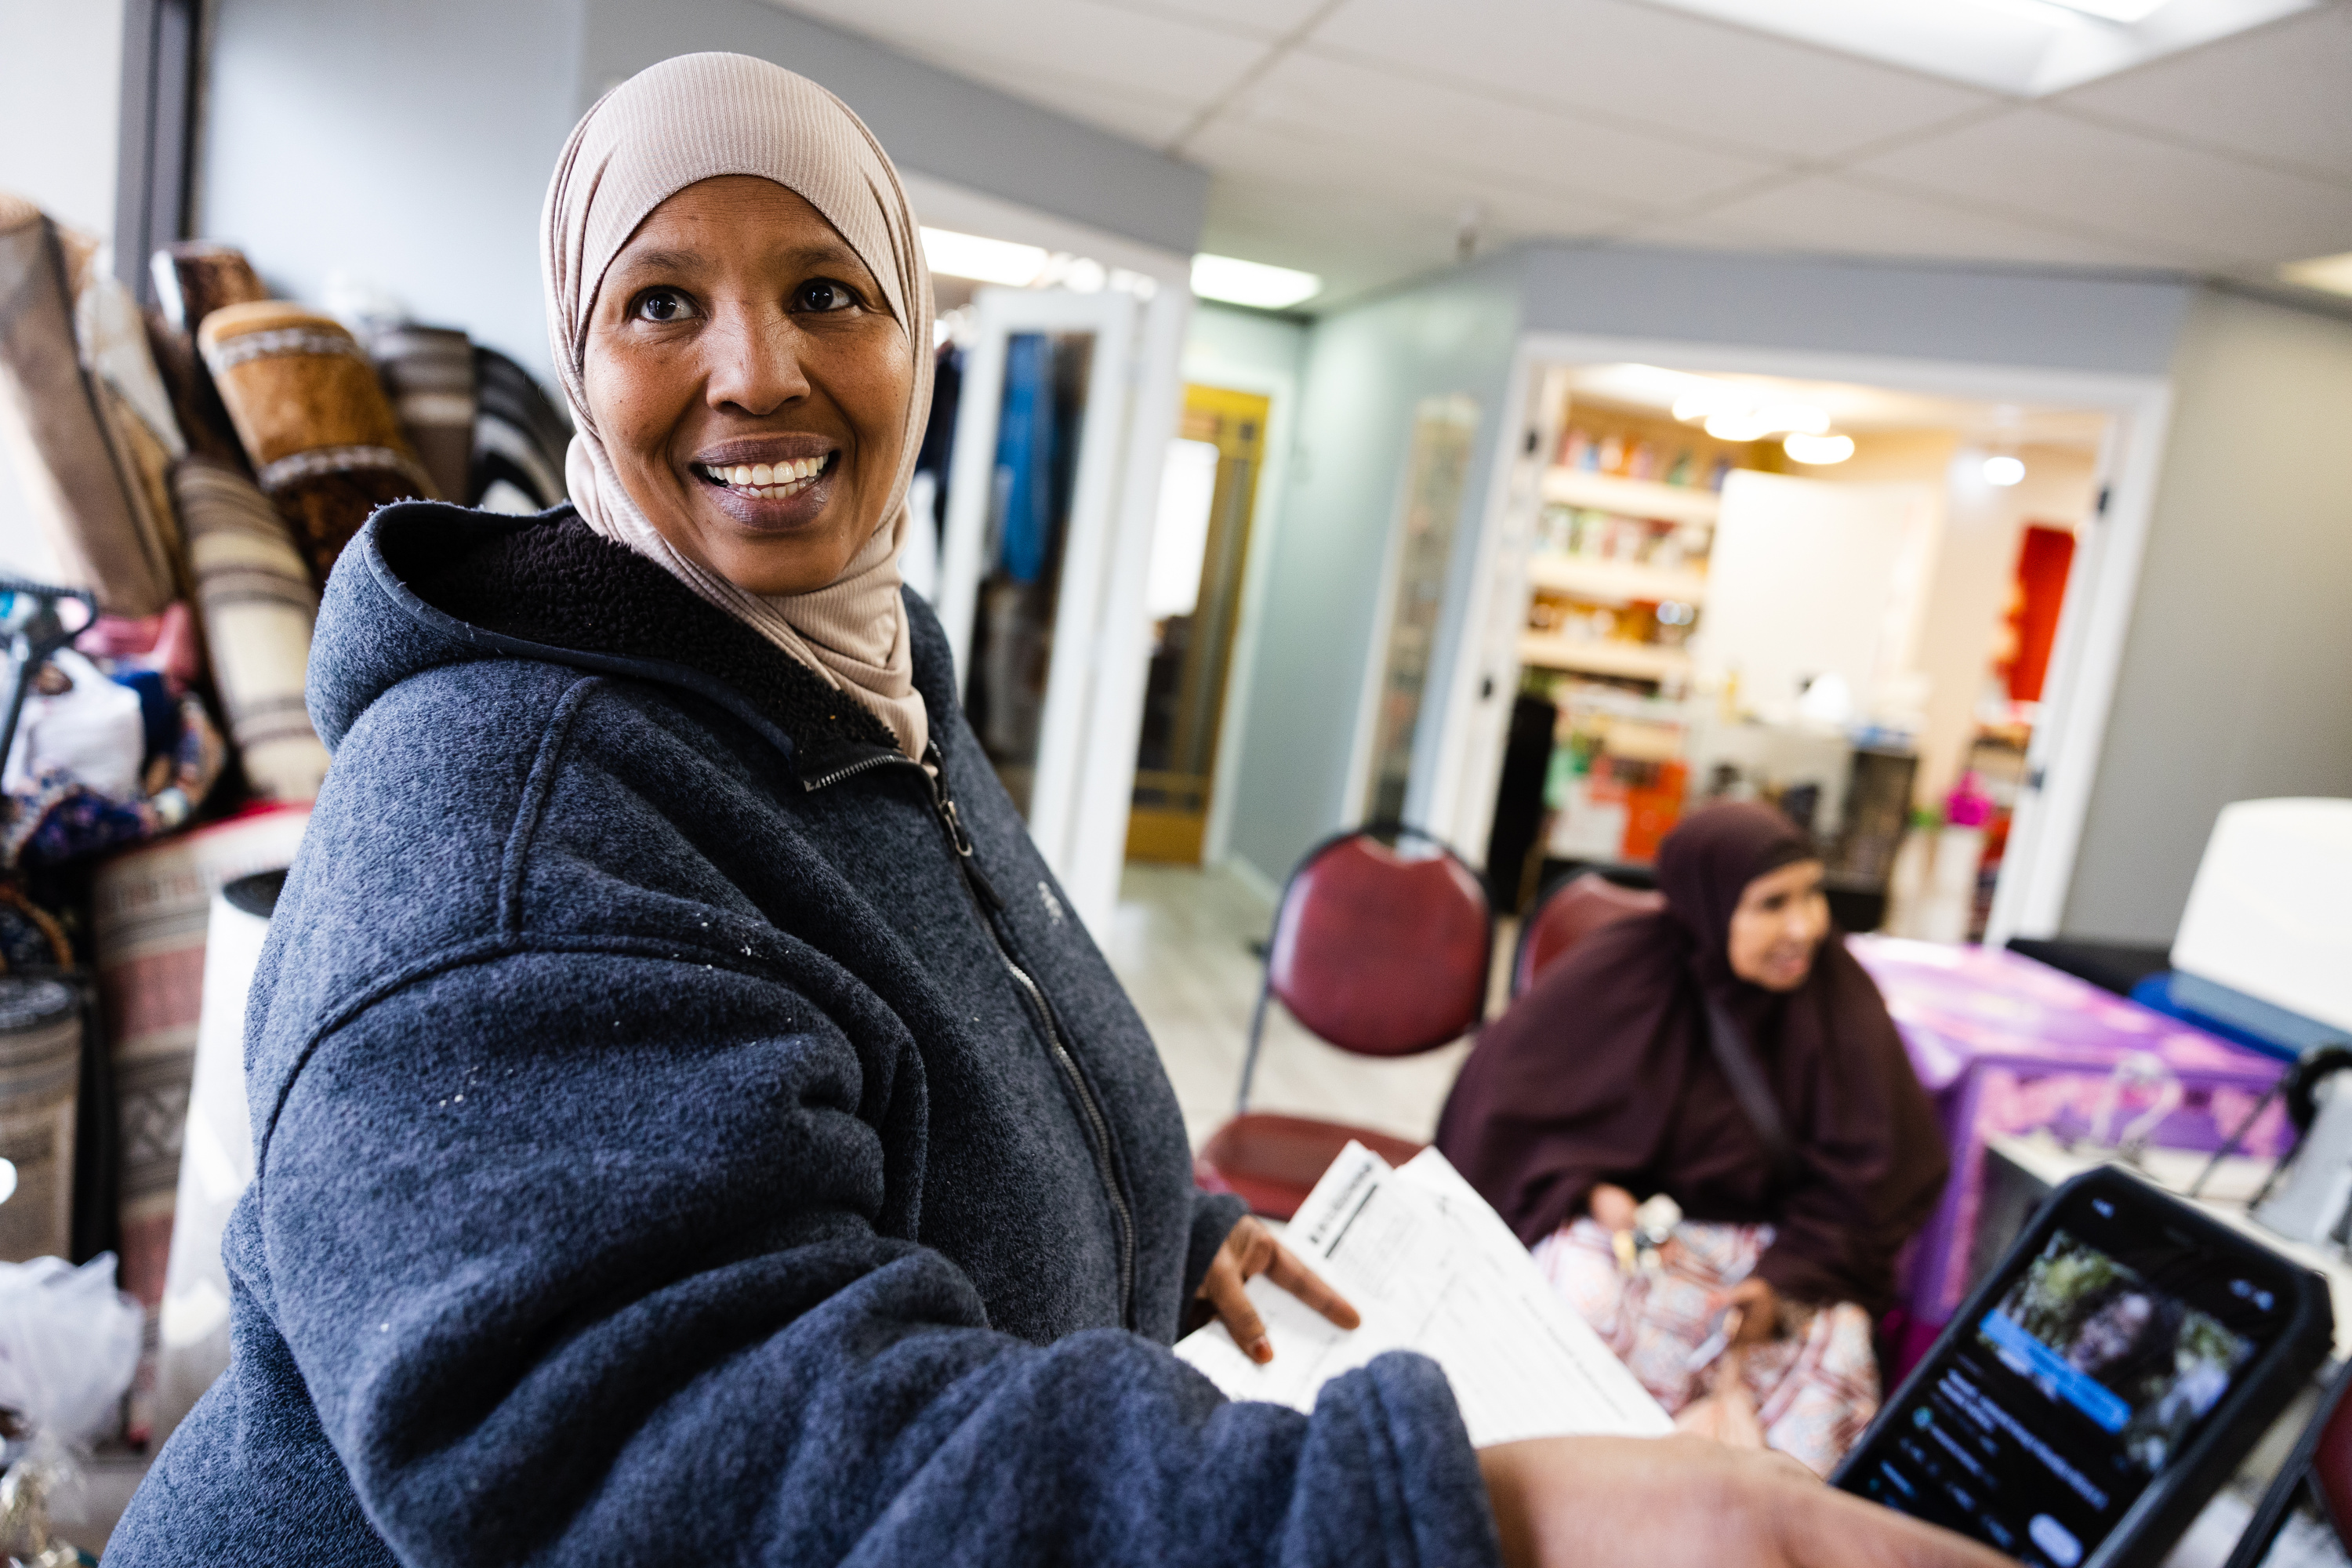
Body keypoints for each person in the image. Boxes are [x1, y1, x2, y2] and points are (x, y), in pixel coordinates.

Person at [111, 54, 2005, 1568]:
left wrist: (1161, 1227)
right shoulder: (506, 822)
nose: (754, 368)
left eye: (823, 290)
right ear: (583, 367)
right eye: (661, 300)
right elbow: (691, 1453)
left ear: (910, 335)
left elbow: (933, 1056)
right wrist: (1476, 1520)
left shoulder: (866, 673)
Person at [1438, 802, 1950, 1473]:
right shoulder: (1622, 977)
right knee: (1575, 1301)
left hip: (1785, 1257)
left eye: (1812, 895)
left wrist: (1781, 1283)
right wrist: (1592, 1191)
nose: (1805, 927)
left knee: (1839, 1356)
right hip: (1634, 1246)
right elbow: (1507, 1119)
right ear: (1709, 903)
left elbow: (1872, 1182)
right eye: (1771, 904)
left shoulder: (1838, 996)